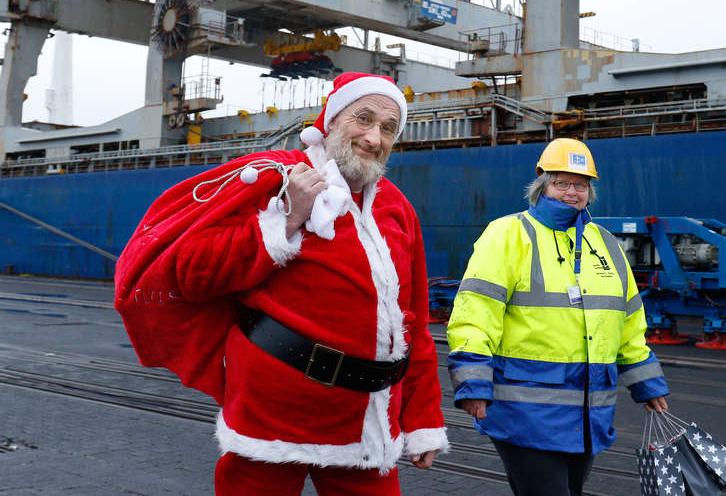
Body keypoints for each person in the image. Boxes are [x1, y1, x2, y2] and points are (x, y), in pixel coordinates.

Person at [115, 72, 448, 495]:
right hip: (273, 412)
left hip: (367, 421)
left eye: (387, 128)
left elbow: (412, 322)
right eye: (362, 119)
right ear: (330, 120)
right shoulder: (273, 178)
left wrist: (422, 421)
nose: (373, 137)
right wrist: (286, 219)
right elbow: (191, 273)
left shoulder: (396, 206)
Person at [446, 137, 669, 496]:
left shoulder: (605, 243)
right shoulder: (507, 234)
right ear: (542, 186)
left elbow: (628, 322)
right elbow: (476, 313)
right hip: (524, 412)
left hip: (587, 415)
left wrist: (647, 384)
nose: (571, 192)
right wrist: (473, 384)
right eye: (561, 182)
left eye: (580, 185)